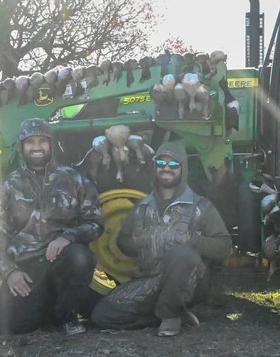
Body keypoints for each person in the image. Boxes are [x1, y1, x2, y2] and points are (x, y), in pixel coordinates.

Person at [90, 142, 232, 336]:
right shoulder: (141, 207)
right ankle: (169, 315)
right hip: (151, 280)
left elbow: (224, 246)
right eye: (161, 163)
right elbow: (122, 241)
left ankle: (171, 314)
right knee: (102, 316)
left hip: (190, 283)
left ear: (183, 168)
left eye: (173, 164)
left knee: (182, 253)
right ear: (155, 167)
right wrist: (138, 242)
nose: (167, 168)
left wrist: (193, 239)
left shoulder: (201, 206)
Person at [0, 118, 103, 335]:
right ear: (22, 147)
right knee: (14, 324)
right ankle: (48, 303)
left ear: (51, 144)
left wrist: (68, 236)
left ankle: (66, 314)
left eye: (42, 141)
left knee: (80, 257)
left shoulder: (74, 179)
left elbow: (96, 222)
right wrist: (10, 271)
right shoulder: (8, 186)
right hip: (28, 267)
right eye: (30, 142)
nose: (37, 147)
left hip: (62, 261)